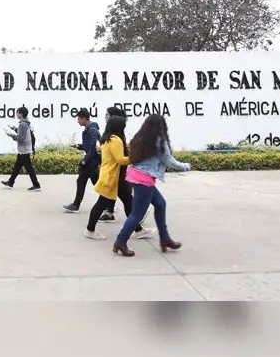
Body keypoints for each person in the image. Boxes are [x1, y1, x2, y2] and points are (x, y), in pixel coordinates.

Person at [112, 113, 189, 257]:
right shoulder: (159, 141)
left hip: (135, 175)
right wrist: (186, 166)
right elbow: (169, 161)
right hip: (144, 180)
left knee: (160, 204)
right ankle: (120, 241)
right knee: (137, 214)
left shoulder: (141, 137)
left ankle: (165, 239)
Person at [83, 116, 154, 240]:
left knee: (128, 201)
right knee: (101, 204)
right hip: (111, 178)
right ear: (119, 126)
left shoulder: (109, 138)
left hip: (114, 177)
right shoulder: (116, 140)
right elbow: (120, 160)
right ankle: (90, 229)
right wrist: (137, 158)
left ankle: (138, 230)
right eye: (123, 125)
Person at [63, 108, 101, 213]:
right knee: (97, 183)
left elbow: (93, 148)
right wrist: (78, 146)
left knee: (81, 181)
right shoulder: (88, 130)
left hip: (92, 161)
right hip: (91, 160)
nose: (78, 121)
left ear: (84, 119)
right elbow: (87, 146)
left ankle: (76, 205)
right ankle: (108, 203)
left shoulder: (92, 130)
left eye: (79, 119)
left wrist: (85, 161)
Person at [1, 106, 41, 191]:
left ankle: (36, 185)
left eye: (17, 112)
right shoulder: (25, 123)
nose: (16, 114)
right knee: (17, 167)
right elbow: (22, 133)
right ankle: (10, 182)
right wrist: (14, 128)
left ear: (21, 114)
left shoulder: (23, 124)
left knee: (29, 168)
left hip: (24, 150)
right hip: (23, 150)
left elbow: (21, 137)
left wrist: (10, 135)